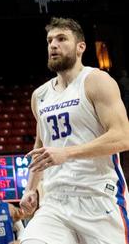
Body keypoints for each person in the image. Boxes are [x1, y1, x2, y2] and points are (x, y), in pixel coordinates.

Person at [18, 17, 129, 243]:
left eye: (61, 39)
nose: (53, 45)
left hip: (98, 197)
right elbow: (41, 148)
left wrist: (67, 153)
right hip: (55, 201)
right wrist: (31, 189)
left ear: (81, 47)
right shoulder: (40, 95)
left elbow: (123, 136)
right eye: (50, 40)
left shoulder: (96, 80)